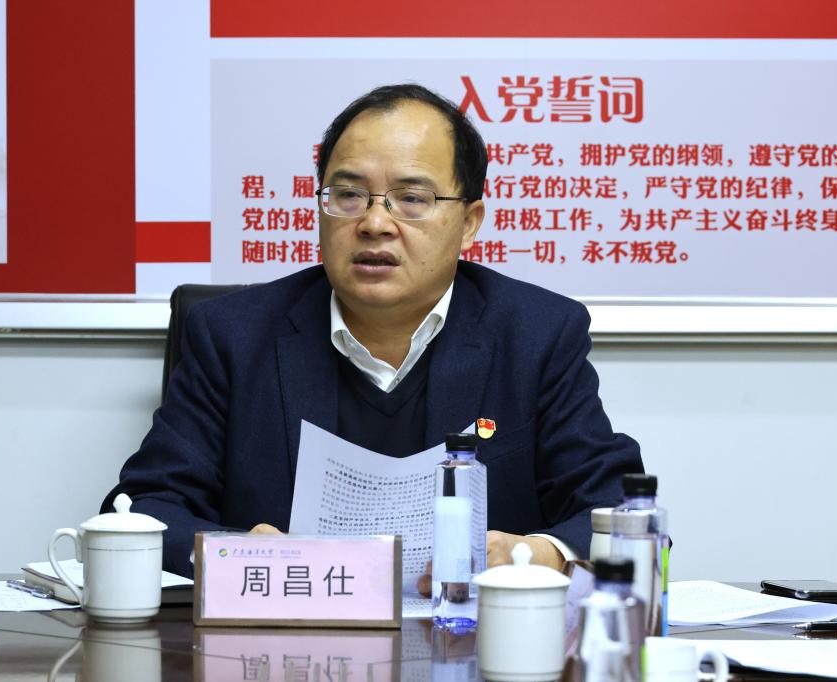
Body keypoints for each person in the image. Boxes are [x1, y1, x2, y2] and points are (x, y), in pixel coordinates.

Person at [103, 83, 643, 580]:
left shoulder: (537, 335)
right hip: (283, 634)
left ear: (469, 223)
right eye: (348, 195)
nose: (375, 223)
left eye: (413, 199)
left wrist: (531, 554)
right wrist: (232, 552)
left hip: (472, 638)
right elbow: (143, 508)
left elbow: (619, 510)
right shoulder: (233, 336)